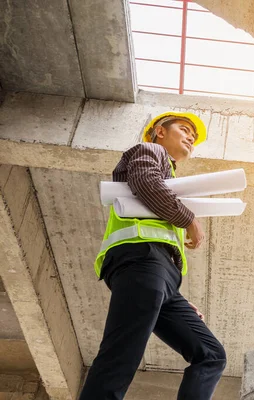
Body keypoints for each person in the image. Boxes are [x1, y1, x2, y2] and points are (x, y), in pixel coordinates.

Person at [79, 112, 226, 400]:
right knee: (121, 354)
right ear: (160, 131)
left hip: (161, 276)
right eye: (184, 130)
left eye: (193, 138)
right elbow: (146, 183)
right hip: (141, 260)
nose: (190, 139)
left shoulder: (170, 181)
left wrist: (171, 291)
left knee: (211, 355)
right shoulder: (150, 150)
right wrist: (189, 220)